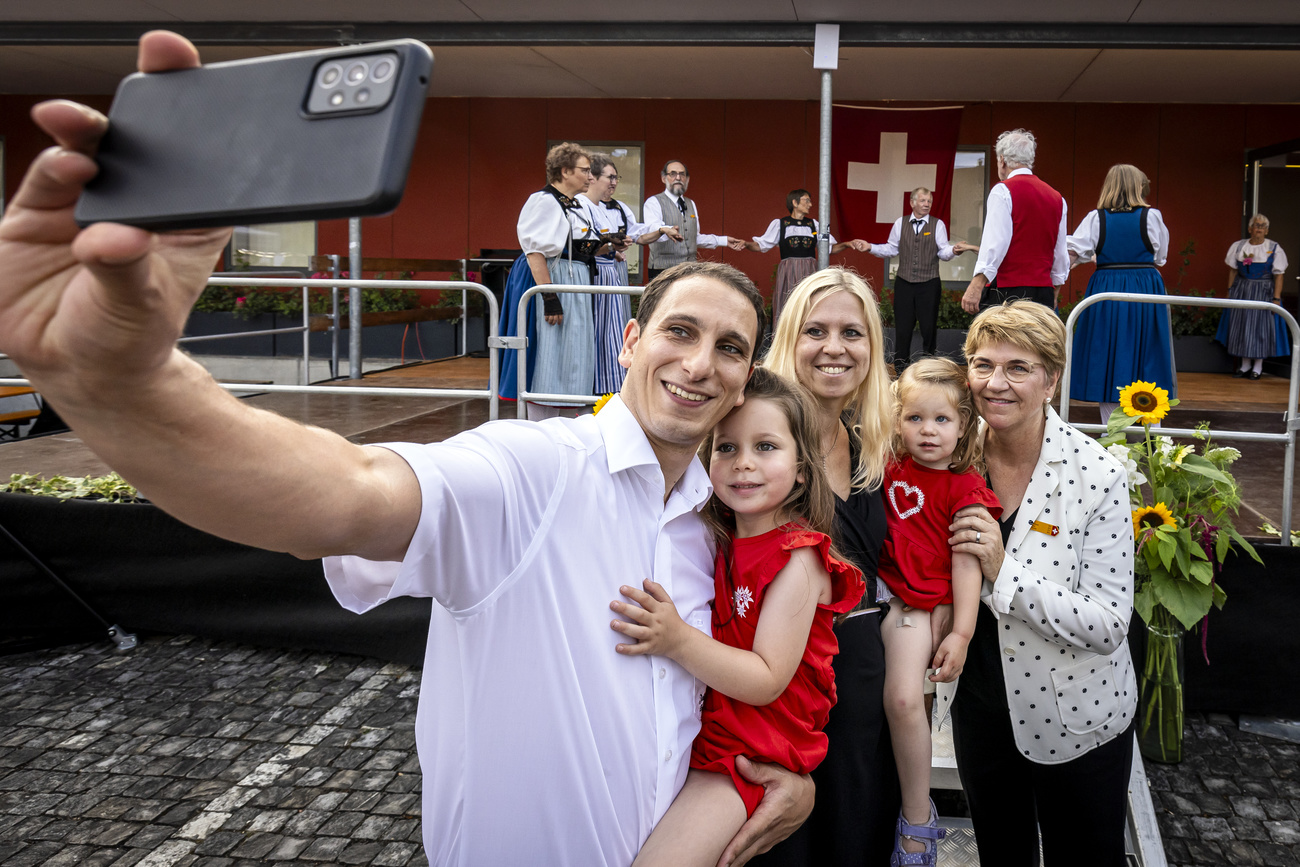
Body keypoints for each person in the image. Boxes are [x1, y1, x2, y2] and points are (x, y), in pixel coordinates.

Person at [0, 32, 815, 866]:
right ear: (630, 342)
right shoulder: (534, 470)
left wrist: (776, 778)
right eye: (680, 331)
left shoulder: (715, 517)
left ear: (747, 374)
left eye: (729, 347)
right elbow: (343, 495)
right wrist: (124, 389)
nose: (699, 363)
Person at [611, 367, 864, 866]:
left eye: (765, 447)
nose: (743, 464)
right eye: (726, 448)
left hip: (749, 755)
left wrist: (677, 640)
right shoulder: (717, 537)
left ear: (801, 469)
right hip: (708, 737)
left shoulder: (799, 558)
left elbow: (767, 679)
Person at [946, 301, 1137, 867]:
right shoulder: (952, 454)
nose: (994, 383)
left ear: (1051, 378)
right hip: (980, 711)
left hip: (1077, 722)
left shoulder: (1097, 474)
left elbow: (1107, 626)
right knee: (1002, 855)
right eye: (982, 365)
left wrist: (1004, 571)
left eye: (1018, 368)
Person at [755, 268, 902, 867]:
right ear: (790, 339)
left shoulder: (873, 443)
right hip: (784, 692)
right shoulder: (753, 443)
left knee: (857, 832)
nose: (835, 347)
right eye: (815, 330)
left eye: (853, 332)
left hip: (866, 684)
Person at [875, 357, 1001, 866]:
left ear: (964, 424)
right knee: (904, 705)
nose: (928, 431)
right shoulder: (885, 466)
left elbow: (966, 559)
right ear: (896, 419)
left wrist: (963, 631)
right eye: (915, 418)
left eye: (942, 420)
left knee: (905, 701)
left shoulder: (965, 486)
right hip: (884, 595)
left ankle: (917, 818)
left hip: (919, 604)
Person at [1067, 164, 1176, 420]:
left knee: (1107, 352)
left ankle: (1112, 432)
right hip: (1145, 287)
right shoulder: (1152, 217)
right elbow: (1161, 257)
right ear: (1136, 186)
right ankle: (1154, 437)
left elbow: (1076, 252)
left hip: (1107, 286)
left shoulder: (1096, 218)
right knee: (1148, 350)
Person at [511, 142, 602, 420]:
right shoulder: (544, 201)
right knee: (553, 346)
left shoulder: (575, 204)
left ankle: (567, 416)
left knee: (573, 349)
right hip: (555, 277)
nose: (590, 177)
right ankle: (542, 420)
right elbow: (535, 252)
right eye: (584, 171)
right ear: (564, 171)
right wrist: (549, 297)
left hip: (575, 280)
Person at [584, 152, 683, 395]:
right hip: (593, 273)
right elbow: (584, 244)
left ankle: (612, 385)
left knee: (615, 329)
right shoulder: (582, 205)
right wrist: (610, 247)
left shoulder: (619, 208)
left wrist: (661, 230)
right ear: (593, 178)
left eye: (616, 177)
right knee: (595, 329)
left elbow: (639, 235)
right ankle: (591, 385)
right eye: (610, 177)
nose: (614, 182)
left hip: (614, 273)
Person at [864, 187, 976, 371]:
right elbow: (891, 249)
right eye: (923, 201)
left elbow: (943, 251)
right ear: (912, 203)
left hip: (929, 283)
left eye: (929, 201)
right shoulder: (900, 223)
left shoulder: (937, 224)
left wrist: (954, 250)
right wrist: (871, 247)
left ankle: (928, 366)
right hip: (904, 283)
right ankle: (900, 367)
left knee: (928, 327)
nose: (927, 204)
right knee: (903, 327)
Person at [961, 129, 1069, 313]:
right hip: (1042, 291)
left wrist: (977, 284)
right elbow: (1060, 251)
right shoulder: (1057, 198)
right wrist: (1056, 288)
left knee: (1002, 341)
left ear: (1002, 160)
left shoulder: (1003, 191)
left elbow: (995, 243)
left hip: (1008, 290)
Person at [741, 189, 867, 326]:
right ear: (794, 202)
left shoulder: (813, 225)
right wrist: (746, 244)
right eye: (806, 200)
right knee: (787, 302)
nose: (810, 204)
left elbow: (828, 248)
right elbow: (761, 245)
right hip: (789, 270)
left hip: (809, 269)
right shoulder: (781, 224)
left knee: (810, 302)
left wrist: (847, 244)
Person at [1215, 213, 1290, 380]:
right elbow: (1233, 270)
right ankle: (1245, 365)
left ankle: (1258, 367)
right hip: (1242, 290)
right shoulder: (1239, 246)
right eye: (1257, 225)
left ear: (1267, 230)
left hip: (1263, 292)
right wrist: (1229, 291)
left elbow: (1279, 275)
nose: (1259, 229)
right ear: (1250, 228)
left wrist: (1276, 299)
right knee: (1241, 326)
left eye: (1263, 226)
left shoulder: (1275, 248)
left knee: (1260, 328)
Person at [643, 159, 745, 281]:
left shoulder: (691, 203)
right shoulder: (654, 202)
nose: (678, 178)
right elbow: (652, 229)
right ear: (663, 178)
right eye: (673, 174)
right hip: (663, 270)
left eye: (682, 174)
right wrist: (666, 230)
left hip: (689, 270)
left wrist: (723, 240)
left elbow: (693, 237)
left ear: (687, 179)